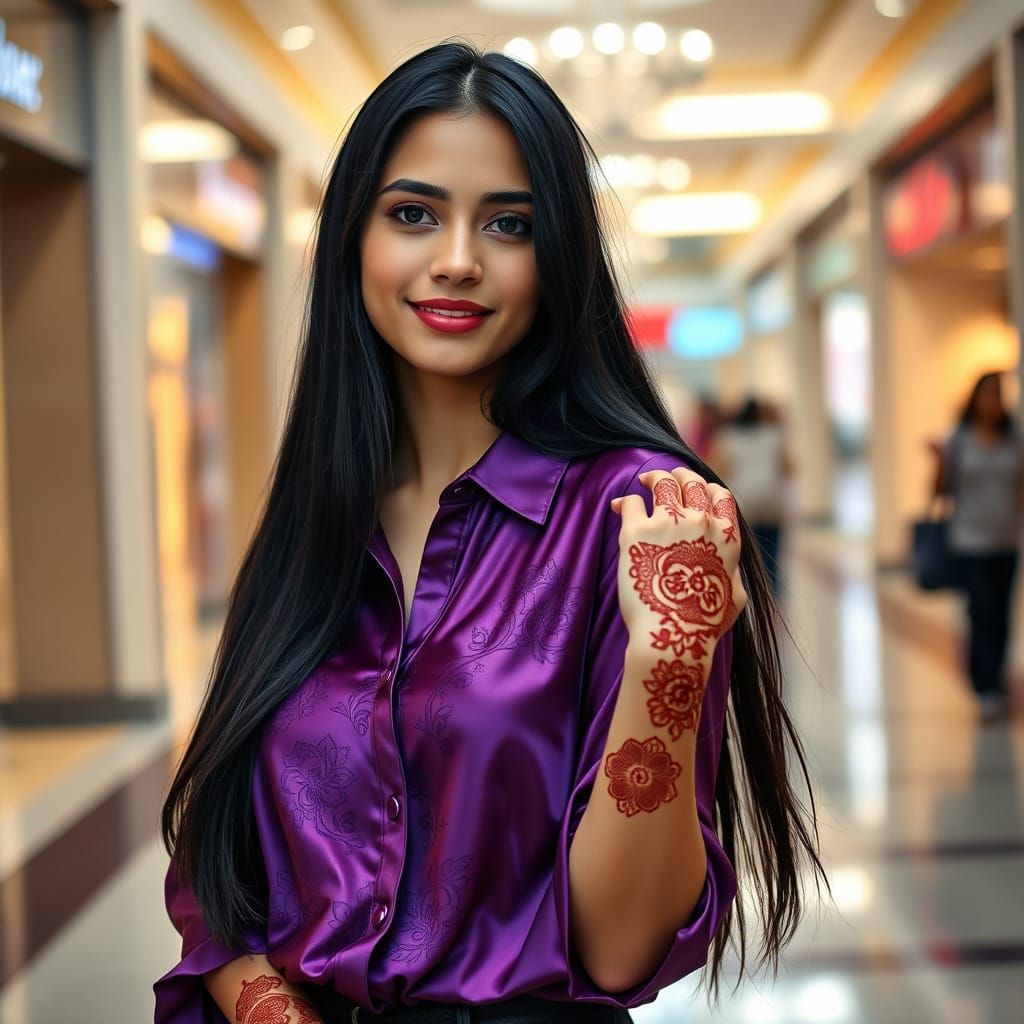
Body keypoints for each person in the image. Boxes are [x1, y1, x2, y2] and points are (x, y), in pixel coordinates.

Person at [155, 40, 826, 1024]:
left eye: (508, 223)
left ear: (558, 254)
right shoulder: (316, 512)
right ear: (354, 236)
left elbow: (619, 943)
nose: (457, 259)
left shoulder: (636, 517)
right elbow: (219, 871)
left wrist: (667, 668)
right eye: (413, 213)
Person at [933, 371, 1024, 721]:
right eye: (988, 394)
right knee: (981, 608)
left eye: (999, 395)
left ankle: (997, 682)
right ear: (975, 399)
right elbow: (941, 489)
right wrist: (939, 460)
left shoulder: (1013, 437)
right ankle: (984, 686)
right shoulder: (959, 438)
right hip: (968, 541)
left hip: (1006, 539)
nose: (994, 401)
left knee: (1001, 613)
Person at [712, 398, 794, 597]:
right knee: (772, 555)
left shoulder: (727, 437)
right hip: (771, 504)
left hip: (742, 504)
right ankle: (775, 595)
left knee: (745, 556)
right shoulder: (773, 435)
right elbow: (788, 467)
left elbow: (719, 469)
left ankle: (749, 595)